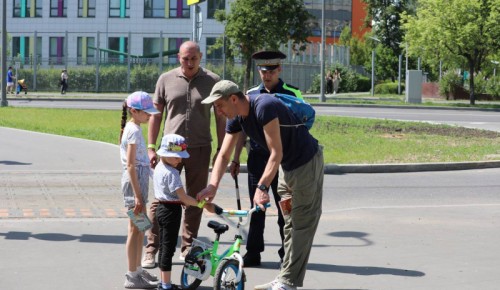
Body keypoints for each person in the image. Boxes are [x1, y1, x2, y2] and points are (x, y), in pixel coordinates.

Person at [198, 80, 324, 290]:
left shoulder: (263, 106)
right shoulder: (236, 118)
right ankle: (285, 276)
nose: (218, 111)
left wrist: (262, 187)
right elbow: (223, 154)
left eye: (219, 105)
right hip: (286, 168)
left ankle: (288, 282)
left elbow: (276, 152)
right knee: (289, 222)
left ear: (234, 99)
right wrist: (212, 186)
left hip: (306, 164)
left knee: (302, 223)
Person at [142, 40, 226, 268]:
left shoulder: (213, 81)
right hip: (170, 151)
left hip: (200, 148)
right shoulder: (166, 79)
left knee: (196, 198)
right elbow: (155, 115)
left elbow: (221, 116)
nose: (189, 63)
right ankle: (152, 247)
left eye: (194, 59)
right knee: (162, 199)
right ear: (179, 57)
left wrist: (221, 149)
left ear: (200, 57)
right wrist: (151, 146)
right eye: (185, 59)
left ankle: (187, 246)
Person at [231, 50, 302, 267]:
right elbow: (241, 128)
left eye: (271, 70)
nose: (267, 75)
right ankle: (253, 252)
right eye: (263, 70)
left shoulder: (293, 93)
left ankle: (286, 254)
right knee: (256, 209)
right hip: (258, 159)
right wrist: (235, 159)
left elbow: (303, 123)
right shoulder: (250, 94)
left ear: (279, 69)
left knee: (285, 210)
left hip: (284, 160)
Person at [153, 133, 216, 290]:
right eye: (176, 157)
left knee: (163, 246)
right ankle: (166, 285)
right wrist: (201, 204)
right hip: (171, 211)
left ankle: (163, 281)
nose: (179, 160)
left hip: (160, 209)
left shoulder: (159, 167)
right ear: (166, 154)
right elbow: (184, 197)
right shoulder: (172, 173)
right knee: (168, 247)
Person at [119, 91, 160, 289]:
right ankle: (131, 275)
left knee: (139, 228)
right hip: (134, 184)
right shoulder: (134, 130)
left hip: (138, 181)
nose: (149, 115)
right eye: (146, 112)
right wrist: (137, 196)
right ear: (134, 111)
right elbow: (130, 165)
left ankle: (135, 270)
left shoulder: (134, 127)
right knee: (135, 229)